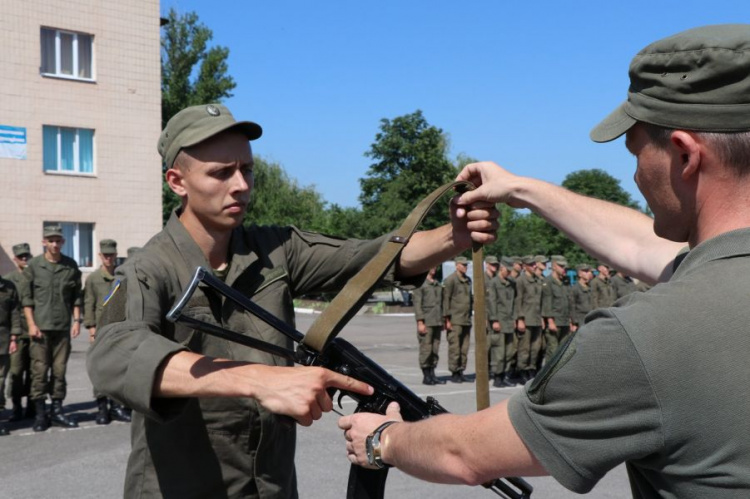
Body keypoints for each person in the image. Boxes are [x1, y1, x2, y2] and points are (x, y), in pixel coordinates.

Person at [339, 24, 750, 497]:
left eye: (636, 151)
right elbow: (643, 248)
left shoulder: (645, 337)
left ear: (683, 154)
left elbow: (466, 453)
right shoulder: (711, 283)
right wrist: (521, 189)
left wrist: (382, 438)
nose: (636, 174)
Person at [86, 103, 498, 498]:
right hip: (183, 488)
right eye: (221, 173)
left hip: (271, 486)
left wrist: (453, 237)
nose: (241, 185)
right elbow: (114, 354)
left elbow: (368, 258)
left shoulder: (276, 248)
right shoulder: (148, 268)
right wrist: (259, 379)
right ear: (177, 182)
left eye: (247, 169)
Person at [20, 225, 81, 431]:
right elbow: (26, 299)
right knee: (39, 371)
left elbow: (76, 298)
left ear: (63, 242)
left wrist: (76, 321)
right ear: (44, 242)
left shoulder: (71, 266)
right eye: (51, 240)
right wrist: (31, 323)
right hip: (40, 328)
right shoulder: (34, 266)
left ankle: (57, 411)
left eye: (58, 240)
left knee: (59, 371)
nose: (55, 244)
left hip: (62, 327)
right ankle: (40, 414)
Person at [83, 239, 131, 424]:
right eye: (105, 255)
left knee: (118, 366)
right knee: (100, 367)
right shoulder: (93, 278)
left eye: (111, 255)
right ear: (100, 256)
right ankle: (102, 408)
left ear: (115, 255)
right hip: (100, 328)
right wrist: (91, 327)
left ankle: (117, 407)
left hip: (119, 327)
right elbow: (89, 302)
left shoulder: (122, 276)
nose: (108, 258)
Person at [3, 243, 34, 421]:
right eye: (20, 257)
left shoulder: (35, 277)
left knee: (34, 372)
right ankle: (16, 407)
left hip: (34, 331)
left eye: (26, 256)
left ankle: (31, 406)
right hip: (16, 333)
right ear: (14, 259)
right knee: (16, 372)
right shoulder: (8, 280)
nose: (24, 259)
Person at [412, 267, 446, 385]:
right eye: (431, 266)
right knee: (426, 349)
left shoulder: (436, 284)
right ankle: (426, 375)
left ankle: (432, 373)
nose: (433, 268)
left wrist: (443, 320)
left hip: (437, 321)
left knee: (435, 349)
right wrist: (420, 322)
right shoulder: (420, 284)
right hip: (427, 321)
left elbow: (441, 303)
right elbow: (417, 304)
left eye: (435, 266)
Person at [442, 256, 473, 383]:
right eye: (463, 265)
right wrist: (447, 320)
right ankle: (454, 371)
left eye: (466, 265)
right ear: (456, 265)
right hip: (455, 319)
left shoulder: (468, 280)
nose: (465, 267)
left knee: (464, 347)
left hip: (466, 318)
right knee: (455, 347)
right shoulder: (450, 280)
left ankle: (461, 370)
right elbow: (446, 300)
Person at [513, 255, 543, 381]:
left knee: (536, 347)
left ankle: (531, 368)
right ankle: (522, 370)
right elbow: (518, 300)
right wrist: (520, 318)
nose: (534, 266)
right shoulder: (521, 280)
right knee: (524, 348)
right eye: (531, 264)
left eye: (534, 264)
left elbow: (540, 301)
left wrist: (542, 317)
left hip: (536, 318)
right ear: (525, 266)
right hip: (526, 318)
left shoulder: (537, 280)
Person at [0, 273, 21, 435]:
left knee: (1, 380)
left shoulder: (8, 287)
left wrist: (14, 337)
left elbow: (15, 313)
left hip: (3, 339)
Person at [541, 255, 571, 362]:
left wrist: (571, 320)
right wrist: (550, 321)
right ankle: (548, 376)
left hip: (565, 321)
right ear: (554, 266)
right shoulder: (548, 281)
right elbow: (547, 302)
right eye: (561, 266)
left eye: (565, 267)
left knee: (563, 349)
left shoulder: (565, 282)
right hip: (555, 321)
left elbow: (568, 302)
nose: (564, 269)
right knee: (553, 350)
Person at [569, 263, 593, 333]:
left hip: (590, 318)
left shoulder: (590, 287)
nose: (589, 273)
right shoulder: (575, 288)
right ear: (579, 274)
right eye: (585, 271)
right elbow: (572, 306)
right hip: (580, 320)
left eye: (589, 271)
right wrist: (574, 322)